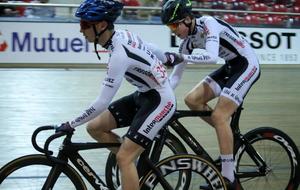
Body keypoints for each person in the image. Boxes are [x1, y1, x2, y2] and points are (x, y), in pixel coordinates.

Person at [55, 0, 176, 190]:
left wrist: (71, 123)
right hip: (145, 94)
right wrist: (167, 57)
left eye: (85, 24)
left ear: (102, 25)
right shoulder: (121, 35)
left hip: (161, 100)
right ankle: (132, 170)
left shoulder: (119, 54)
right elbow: (150, 46)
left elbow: (103, 101)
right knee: (95, 128)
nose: (81, 30)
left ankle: (128, 163)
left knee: (123, 157)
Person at [161, 0, 260, 189]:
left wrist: (181, 57)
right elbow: (174, 79)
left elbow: (212, 56)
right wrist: (159, 97)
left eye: (174, 25)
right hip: (231, 67)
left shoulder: (208, 23)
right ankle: (226, 135)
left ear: (188, 19)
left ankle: (228, 180)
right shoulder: (186, 43)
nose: (172, 30)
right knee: (192, 100)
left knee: (219, 116)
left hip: (247, 64)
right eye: (169, 26)